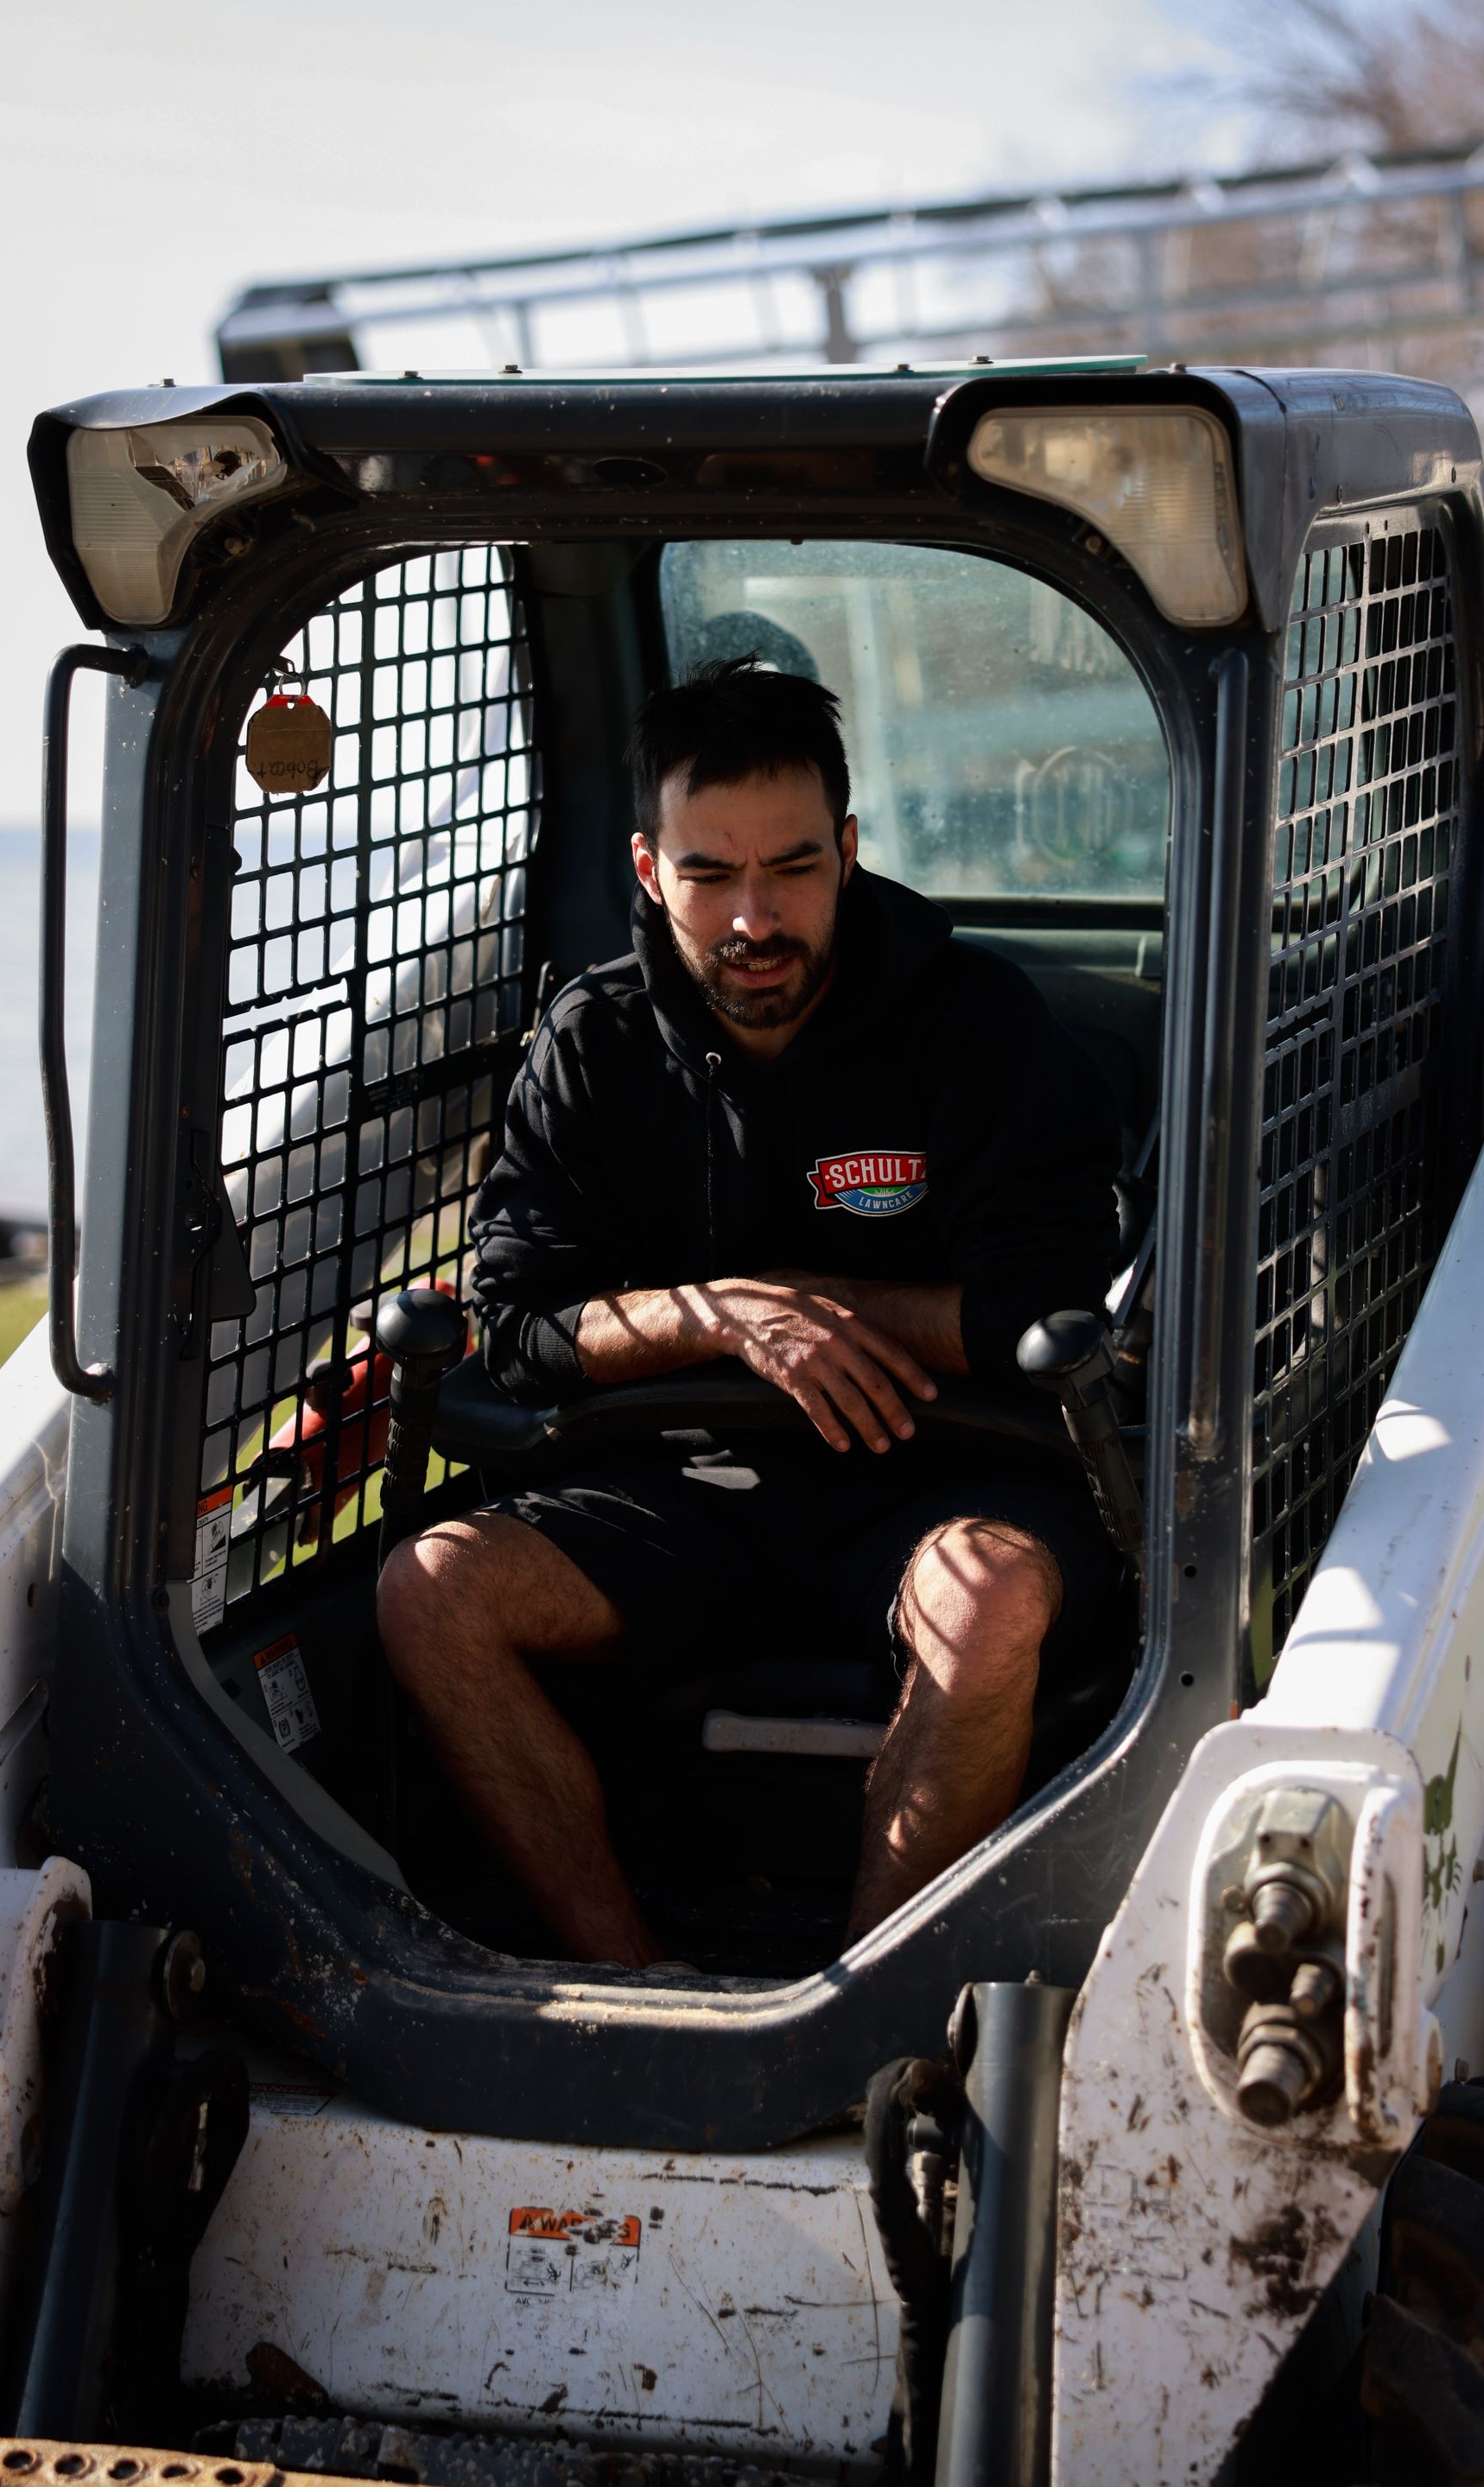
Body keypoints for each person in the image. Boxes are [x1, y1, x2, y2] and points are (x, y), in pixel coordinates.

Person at [377, 657, 1121, 1967]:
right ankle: (625, 1996)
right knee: (429, 1591)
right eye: (710, 875)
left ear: (849, 849)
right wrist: (720, 1318)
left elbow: (1044, 1311)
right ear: (649, 868)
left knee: (990, 1598)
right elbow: (522, 1326)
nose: (754, 917)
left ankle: (861, 2025)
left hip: (942, 1487)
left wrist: (826, 1308)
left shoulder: (978, 1024)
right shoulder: (592, 1042)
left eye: (792, 867)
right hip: (682, 1492)